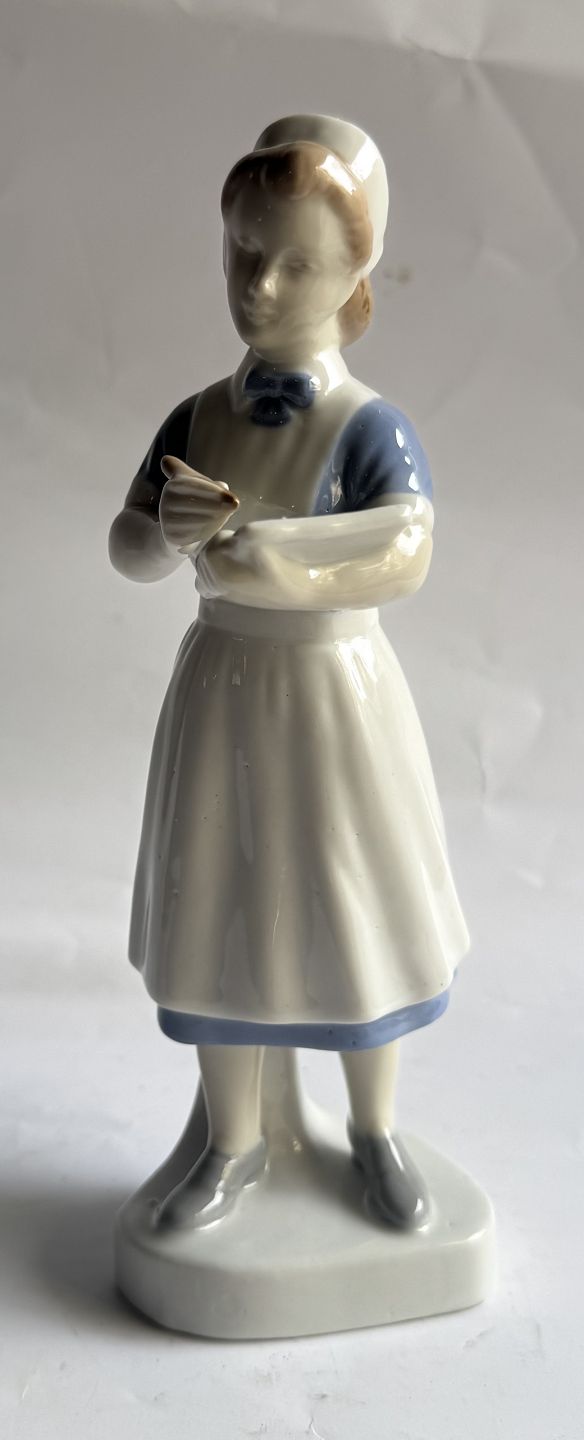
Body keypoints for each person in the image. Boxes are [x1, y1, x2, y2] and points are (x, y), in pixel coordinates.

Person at [109, 114, 470, 1233]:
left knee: (354, 910)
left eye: (297, 264)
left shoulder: (367, 427)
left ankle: (374, 1130)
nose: (261, 286)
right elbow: (127, 547)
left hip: (334, 697)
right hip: (224, 693)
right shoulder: (199, 416)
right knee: (218, 904)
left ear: (357, 279)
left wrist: (277, 558)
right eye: (245, 252)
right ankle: (232, 1140)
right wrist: (162, 533)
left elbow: (406, 547)